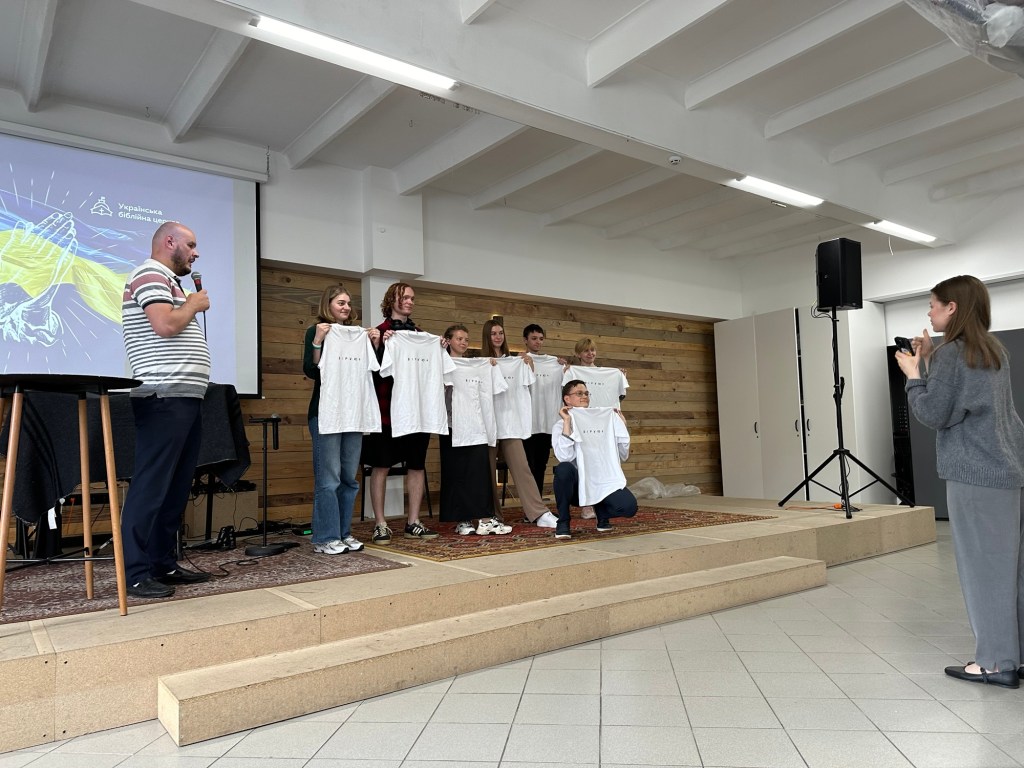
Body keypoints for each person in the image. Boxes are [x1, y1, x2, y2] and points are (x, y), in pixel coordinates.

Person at [895, 275, 1024, 689]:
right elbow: (966, 395)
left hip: (974, 476)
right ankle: (1015, 656)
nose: (929, 312)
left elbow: (935, 413)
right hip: (1006, 471)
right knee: (1010, 570)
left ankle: (995, 663)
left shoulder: (954, 353)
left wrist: (913, 374)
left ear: (952, 307)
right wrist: (932, 357)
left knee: (982, 571)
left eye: (933, 304)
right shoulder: (992, 349)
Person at [120, 221, 211, 599]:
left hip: (184, 397)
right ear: (169, 241)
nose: (196, 253)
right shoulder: (149, 274)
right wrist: (193, 304)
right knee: (152, 486)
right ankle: (135, 573)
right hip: (163, 396)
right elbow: (164, 325)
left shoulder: (168, 281)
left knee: (174, 489)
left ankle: (162, 563)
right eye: (191, 245)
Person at [303, 284, 380, 555]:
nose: (346, 307)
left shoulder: (359, 335)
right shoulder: (317, 330)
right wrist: (318, 342)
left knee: (349, 478)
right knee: (328, 479)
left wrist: (374, 345)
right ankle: (325, 537)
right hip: (326, 414)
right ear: (328, 305)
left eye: (348, 303)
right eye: (340, 303)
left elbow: (374, 370)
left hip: (353, 414)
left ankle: (343, 533)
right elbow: (312, 370)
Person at [363, 282, 439, 544]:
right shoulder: (378, 332)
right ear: (391, 300)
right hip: (386, 413)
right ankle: (380, 524)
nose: (409, 301)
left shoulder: (422, 336)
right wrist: (378, 346)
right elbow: (371, 373)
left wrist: (439, 346)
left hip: (417, 413)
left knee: (417, 465)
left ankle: (413, 522)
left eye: (412, 298)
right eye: (404, 297)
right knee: (381, 465)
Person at [482, 319, 558, 529]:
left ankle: (538, 512)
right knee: (487, 472)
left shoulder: (515, 361)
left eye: (501, 333)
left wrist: (528, 365)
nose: (498, 337)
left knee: (523, 468)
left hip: (510, 422)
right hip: (487, 423)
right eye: (494, 333)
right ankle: (492, 514)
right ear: (487, 336)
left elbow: (530, 382)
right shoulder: (480, 362)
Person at [440, 324, 511, 535]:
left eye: (466, 339)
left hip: (477, 426)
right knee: (456, 473)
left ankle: (485, 518)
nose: (463, 342)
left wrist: (491, 366)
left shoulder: (480, 365)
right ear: (449, 341)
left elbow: (498, 388)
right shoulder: (443, 364)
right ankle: (462, 520)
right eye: (459, 339)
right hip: (452, 425)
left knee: (478, 473)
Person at [551, 380, 637, 540]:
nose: (584, 396)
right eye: (579, 393)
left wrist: (622, 428)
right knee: (563, 469)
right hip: (577, 486)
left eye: (586, 393)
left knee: (629, 508)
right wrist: (567, 422)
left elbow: (623, 455)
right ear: (567, 399)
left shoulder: (605, 418)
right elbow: (565, 457)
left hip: (603, 480)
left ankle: (601, 511)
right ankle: (563, 521)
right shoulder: (560, 425)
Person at [522, 323, 563, 496]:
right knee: (528, 466)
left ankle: (537, 501)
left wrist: (565, 368)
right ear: (525, 340)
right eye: (534, 338)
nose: (538, 342)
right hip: (528, 423)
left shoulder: (556, 363)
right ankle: (531, 502)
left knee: (541, 465)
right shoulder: (520, 361)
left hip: (548, 424)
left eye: (540, 338)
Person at [563, 338, 629, 408]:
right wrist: (565, 373)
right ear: (578, 354)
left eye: (592, 350)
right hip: (582, 413)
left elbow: (619, 397)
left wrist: (619, 376)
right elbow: (566, 396)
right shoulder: (572, 372)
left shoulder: (612, 373)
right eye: (586, 351)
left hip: (604, 414)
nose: (590, 353)